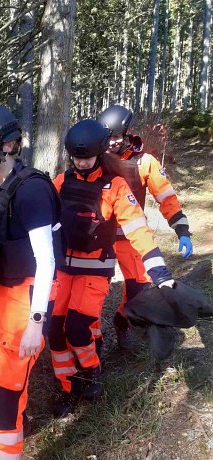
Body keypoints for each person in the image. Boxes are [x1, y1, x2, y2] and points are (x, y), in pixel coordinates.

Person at [49, 119, 175, 418]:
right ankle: (67, 386)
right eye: (76, 158)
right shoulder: (60, 182)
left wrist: (158, 269)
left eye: (87, 157)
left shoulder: (114, 185)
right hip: (62, 270)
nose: (81, 163)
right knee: (54, 331)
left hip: (94, 271)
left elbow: (137, 228)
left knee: (78, 329)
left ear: (99, 154)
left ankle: (91, 370)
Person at [0, 105, 60, 459]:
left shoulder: (30, 190)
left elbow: (46, 259)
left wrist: (37, 322)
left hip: (27, 298)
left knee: (5, 389)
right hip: (2, 292)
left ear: (10, 144)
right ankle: (17, 423)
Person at [97, 105, 193, 349]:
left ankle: (121, 322)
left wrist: (181, 230)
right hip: (100, 237)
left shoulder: (144, 162)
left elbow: (167, 197)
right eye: (107, 138)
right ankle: (90, 339)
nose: (111, 143)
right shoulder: (94, 160)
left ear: (128, 133)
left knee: (138, 288)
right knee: (93, 291)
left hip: (132, 237)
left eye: (116, 137)